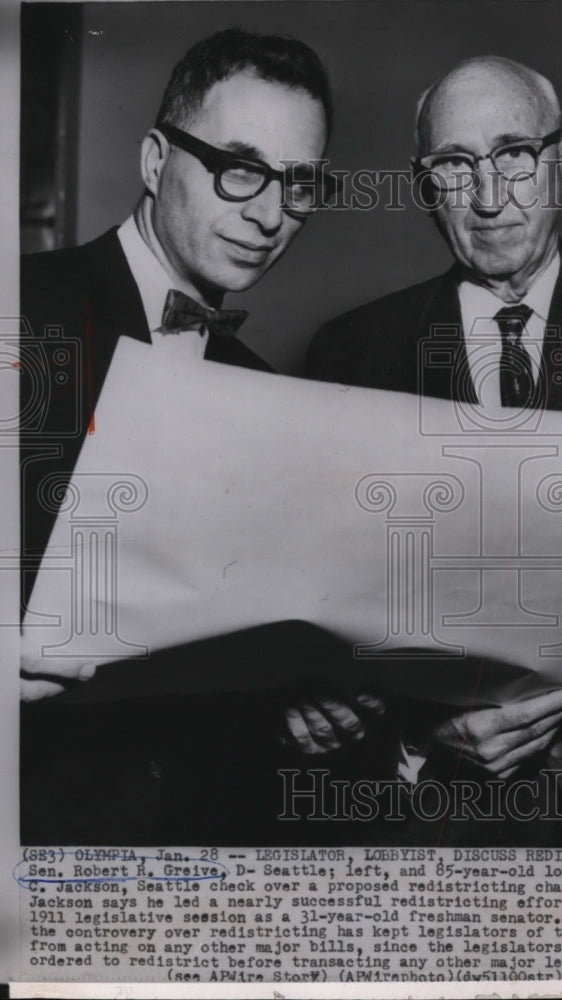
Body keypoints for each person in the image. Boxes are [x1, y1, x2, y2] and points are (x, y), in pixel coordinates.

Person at [303, 56, 562, 846]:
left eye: (515, 153)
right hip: (442, 816)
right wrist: (421, 739)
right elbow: (331, 619)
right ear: (426, 185)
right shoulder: (352, 354)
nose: (490, 198)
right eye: (455, 165)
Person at [20, 28, 346, 844]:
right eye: (240, 168)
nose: (271, 214)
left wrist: (299, 696)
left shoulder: (267, 390)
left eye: (298, 184)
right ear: (155, 160)